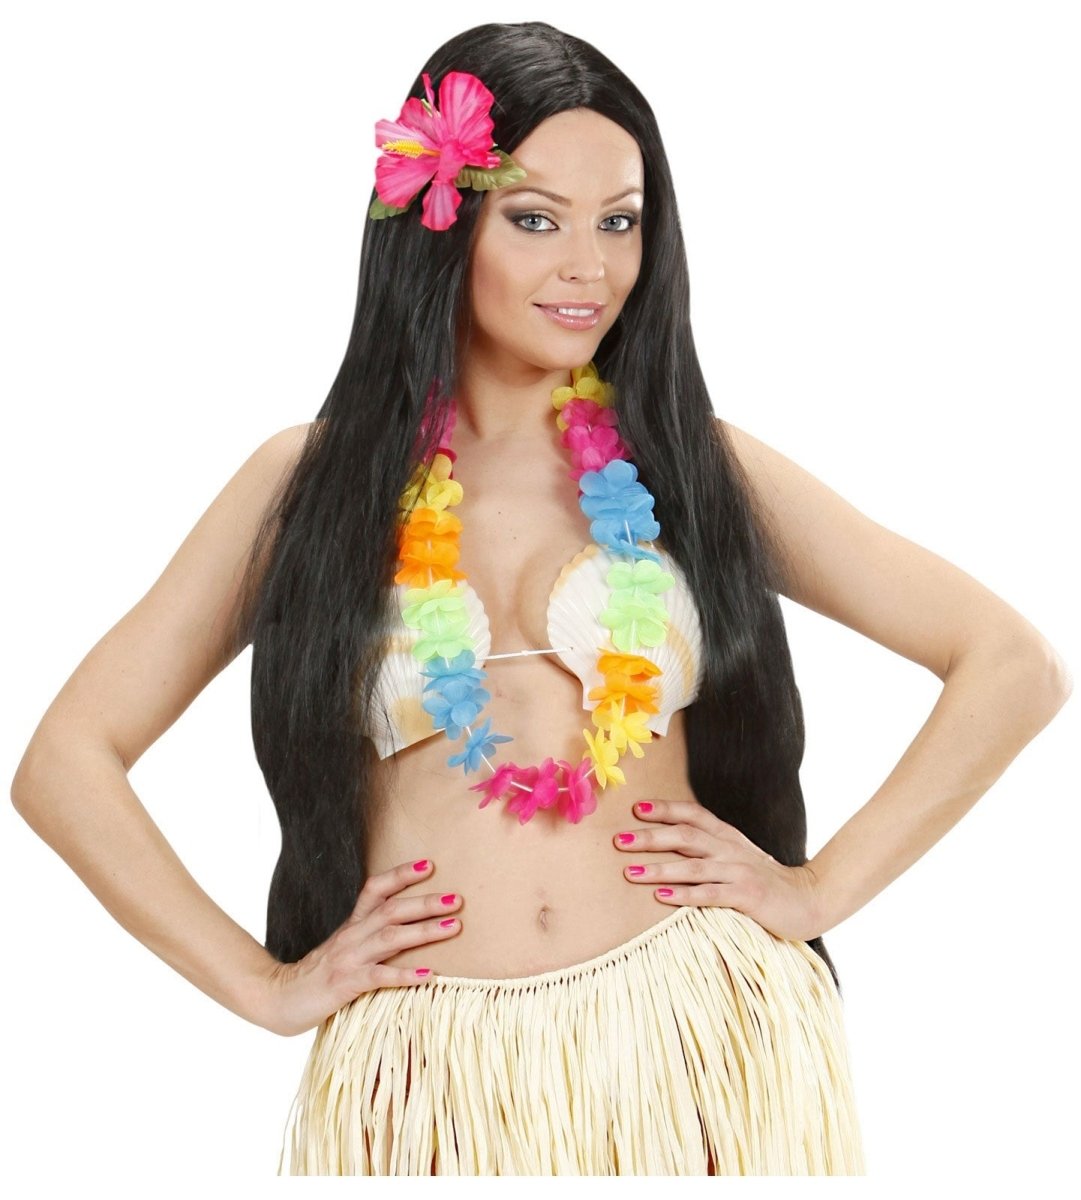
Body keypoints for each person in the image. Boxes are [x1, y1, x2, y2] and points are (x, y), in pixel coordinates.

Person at [10, 19, 1071, 1177]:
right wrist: (266, 988)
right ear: (442, 223)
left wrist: (817, 891)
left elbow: (1007, 661)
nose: (589, 266)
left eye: (619, 220)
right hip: (428, 1070)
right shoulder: (309, 486)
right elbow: (66, 762)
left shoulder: (689, 464)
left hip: (694, 1041)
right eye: (535, 219)